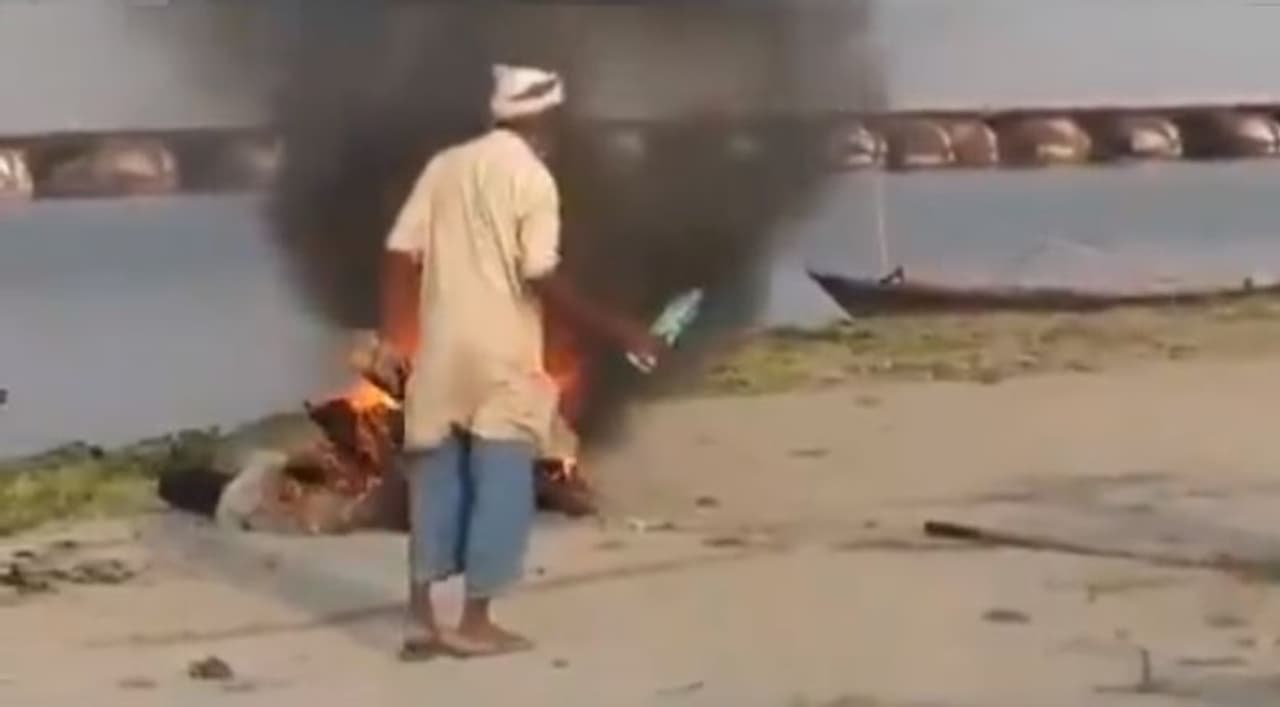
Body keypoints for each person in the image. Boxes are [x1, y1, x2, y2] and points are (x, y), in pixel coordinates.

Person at [379, 64, 661, 659]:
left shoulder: (446, 165)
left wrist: (393, 338)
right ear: (545, 118)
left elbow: (400, 252)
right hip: (503, 355)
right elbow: (539, 274)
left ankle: (420, 617)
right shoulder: (533, 179)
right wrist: (619, 329)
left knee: (436, 478)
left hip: (440, 350)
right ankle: (475, 623)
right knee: (501, 481)